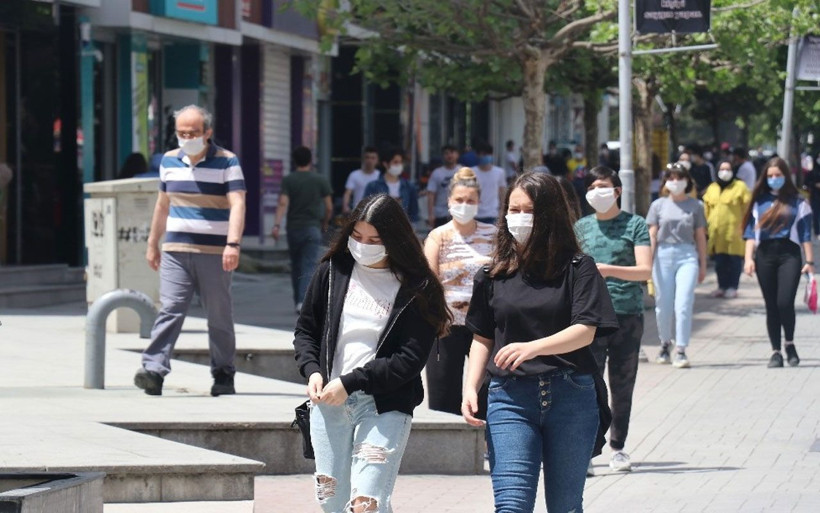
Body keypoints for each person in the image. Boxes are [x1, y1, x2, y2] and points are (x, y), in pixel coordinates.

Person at [462, 172, 618, 513]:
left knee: (565, 506)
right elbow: (481, 337)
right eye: (512, 209)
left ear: (549, 215)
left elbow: (585, 330)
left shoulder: (579, 268)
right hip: (509, 399)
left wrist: (533, 347)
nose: (518, 218)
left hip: (571, 397)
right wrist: (471, 387)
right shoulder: (491, 275)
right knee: (512, 506)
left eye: (528, 210)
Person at [293, 193, 450, 513]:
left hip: (385, 405)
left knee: (367, 503)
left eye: (374, 239)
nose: (363, 245)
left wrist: (351, 382)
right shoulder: (332, 271)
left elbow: (408, 359)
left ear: (395, 240)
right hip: (327, 404)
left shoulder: (418, 288)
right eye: (356, 236)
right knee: (332, 501)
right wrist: (312, 370)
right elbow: (305, 331)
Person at [134, 105, 246, 397]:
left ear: (207, 132)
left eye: (193, 133)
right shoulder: (169, 160)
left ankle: (223, 372)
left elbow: (238, 204)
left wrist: (233, 244)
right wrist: (152, 243)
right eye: (182, 133)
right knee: (170, 308)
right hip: (175, 249)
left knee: (218, 314)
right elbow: (162, 205)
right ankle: (153, 370)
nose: (187, 137)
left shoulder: (227, 161)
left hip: (215, 252)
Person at [576, 166, 652, 474]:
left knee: (622, 385)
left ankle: (618, 447)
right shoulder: (580, 227)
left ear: (617, 191)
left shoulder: (635, 225)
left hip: (627, 314)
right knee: (590, 385)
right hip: (589, 318)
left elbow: (644, 270)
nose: (597, 191)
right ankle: (591, 449)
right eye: (592, 186)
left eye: (603, 186)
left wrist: (607, 269)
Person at [423, 167, 495, 414]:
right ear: (449, 201)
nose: (465, 205)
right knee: (443, 397)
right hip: (446, 327)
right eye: (459, 200)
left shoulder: (493, 235)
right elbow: (428, 281)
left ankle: (487, 446)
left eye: (470, 201)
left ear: (479, 202)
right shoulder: (437, 236)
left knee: (487, 393)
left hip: (485, 328)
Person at [743, 157, 814, 368]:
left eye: (778, 175)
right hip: (764, 255)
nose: (774, 179)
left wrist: (810, 261)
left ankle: (790, 344)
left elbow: (805, 234)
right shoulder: (758, 201)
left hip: (789, 255)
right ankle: (776, 352)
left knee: (784, 302)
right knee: (771, 306)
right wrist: (748, 259)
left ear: (785, 176)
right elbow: (750, 234)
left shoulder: (798, 201)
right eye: (770, 176)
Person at [646, 163, 707, 369]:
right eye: (671, 178)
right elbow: (652, 234)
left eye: (679, 178)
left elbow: (700, 236)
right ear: (665, 182)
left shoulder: (696, 206)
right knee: (663, 304)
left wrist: (703, 263)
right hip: (662, 255)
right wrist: (648, 262)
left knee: (683, 304)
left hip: (687, 255)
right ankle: (665, 343)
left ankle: (681, 349)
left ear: (687, 181)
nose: (675, 182)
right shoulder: (658, 205)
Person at [272, 146, 333, 313]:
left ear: (294, 161)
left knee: (296, 265)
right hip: (312, 227)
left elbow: (283, 203)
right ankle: (302, 301)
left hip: (293, 228)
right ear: (310, 160)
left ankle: (297, 300)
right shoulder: (320, 180)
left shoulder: (289, 180)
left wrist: (276, 225)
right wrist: (325, 223)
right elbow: (328, 206)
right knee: (308, 265)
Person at [703, 160, 751, 299]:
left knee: (734, 261)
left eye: (728, 169)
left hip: (734, 232)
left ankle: (733, 287)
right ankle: (721, 287)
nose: (725, 172)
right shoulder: (712, 188)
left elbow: (747, 208)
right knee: (720, 262)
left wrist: (745, 226)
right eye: (722, 169)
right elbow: (707, 209)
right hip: (717, 233)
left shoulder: (740, 187)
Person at [364, 147, 419, 222]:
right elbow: (366, 212)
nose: (399, 165)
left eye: (401, 162)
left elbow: (414, 212)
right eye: (395, 162)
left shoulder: (409, 187)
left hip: (402, 229)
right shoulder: (373, 186)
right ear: (385, 164)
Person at [472, 141, 507, 224]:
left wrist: (502, 212)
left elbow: (502, 193)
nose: (486, 156)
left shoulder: (499, 172)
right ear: (478, 155)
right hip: (475, 215)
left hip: (493, 215)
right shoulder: (471, 172)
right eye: (483, 154)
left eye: (488, 154)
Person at [426, 145, 460, 228]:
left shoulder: (463, 171)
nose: (449, 155)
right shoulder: (437, 173)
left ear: (457, 154)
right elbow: (431, 194)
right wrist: (431, 214)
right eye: (446, 153)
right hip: (440, 214)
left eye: (452, 152)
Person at [342, 146, 380, 215]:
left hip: (375, 213)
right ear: (363, 159)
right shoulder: (354, 175)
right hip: (358, 213)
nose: (370, 160)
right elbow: (347, 193)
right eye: (367, 157)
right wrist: (345, 206)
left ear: (377, 160)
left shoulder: (380, 176)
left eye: (373, 158)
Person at [804, 153, 820, 239]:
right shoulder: (812, 172)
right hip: (815, 196)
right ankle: (817, 232)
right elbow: (806, 183)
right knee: (816, 215)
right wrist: (815, 185)